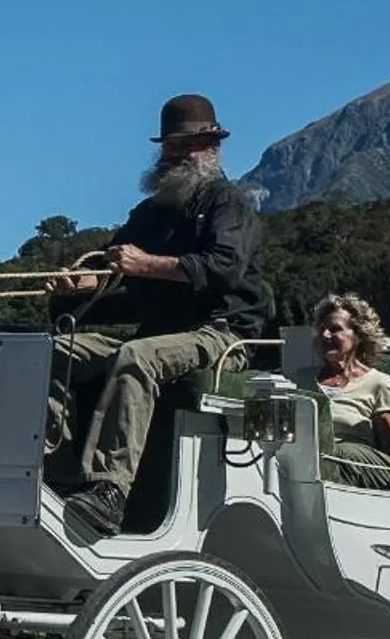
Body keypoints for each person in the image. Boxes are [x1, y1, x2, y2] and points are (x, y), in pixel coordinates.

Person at [47, 93, 267, 536]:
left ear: (211, 147)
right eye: (170, 145)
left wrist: (146, 265)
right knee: (55, 351)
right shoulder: (149, 213)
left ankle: (110, 490)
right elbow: (112, 271)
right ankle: (56, 464)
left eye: (188, 145)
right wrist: (82, 285)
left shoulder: (228, 202)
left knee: (137, 358)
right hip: (157, 331)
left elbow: (223, 267)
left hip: (221, 334)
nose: (177, 154)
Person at [293, 291, 390, 486]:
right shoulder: (301, 379)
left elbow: (389, 449)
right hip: (303, 461)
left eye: (335, 329)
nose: (325, 335)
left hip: (356, 464)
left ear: (358, 336)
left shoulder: (380, 383)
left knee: (341, 452)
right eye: (322, 329)